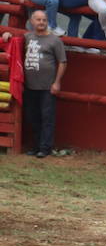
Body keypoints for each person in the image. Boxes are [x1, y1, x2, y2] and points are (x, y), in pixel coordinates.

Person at [20, 9, 65, 159]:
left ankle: (45, 148)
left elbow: (62, 62)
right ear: (32, 22)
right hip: (30, 85)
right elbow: (15, 43)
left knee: (47, 117)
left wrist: (57, 82)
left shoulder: (55, 40)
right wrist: (7, 35)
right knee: (33, 117)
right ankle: (36, 145)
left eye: (44, 20)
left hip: (47, 86)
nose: (41, 23)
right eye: (38, 20)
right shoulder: (27, 37)